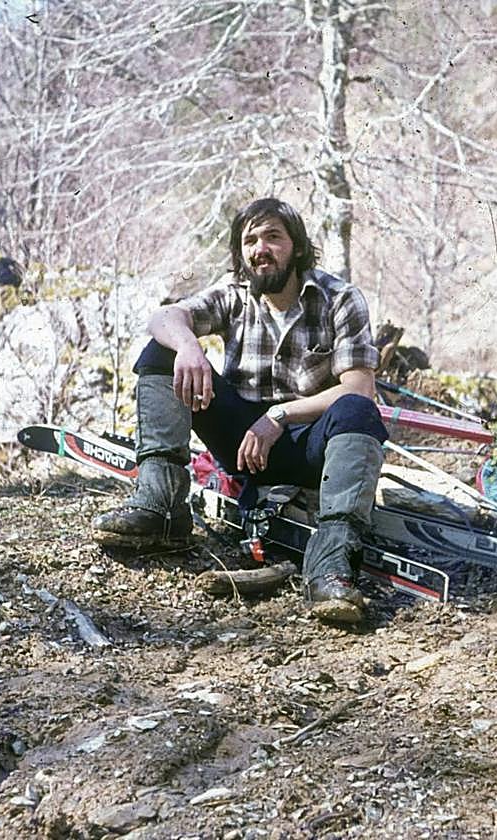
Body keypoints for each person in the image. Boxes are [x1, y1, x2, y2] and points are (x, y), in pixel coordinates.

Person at [92, 197, 388, 624]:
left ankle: (330, 570)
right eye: (250, 240)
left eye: (273, 237)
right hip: (241, 441)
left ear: (297, 247)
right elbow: (164, 317)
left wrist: (279, 417)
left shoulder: (340, 299)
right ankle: (162, 508)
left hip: (308, 446)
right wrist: (190, 346)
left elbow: (358, 388)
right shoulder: (233, 296)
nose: (260, 249)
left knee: (358, 409)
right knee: (162, 351)